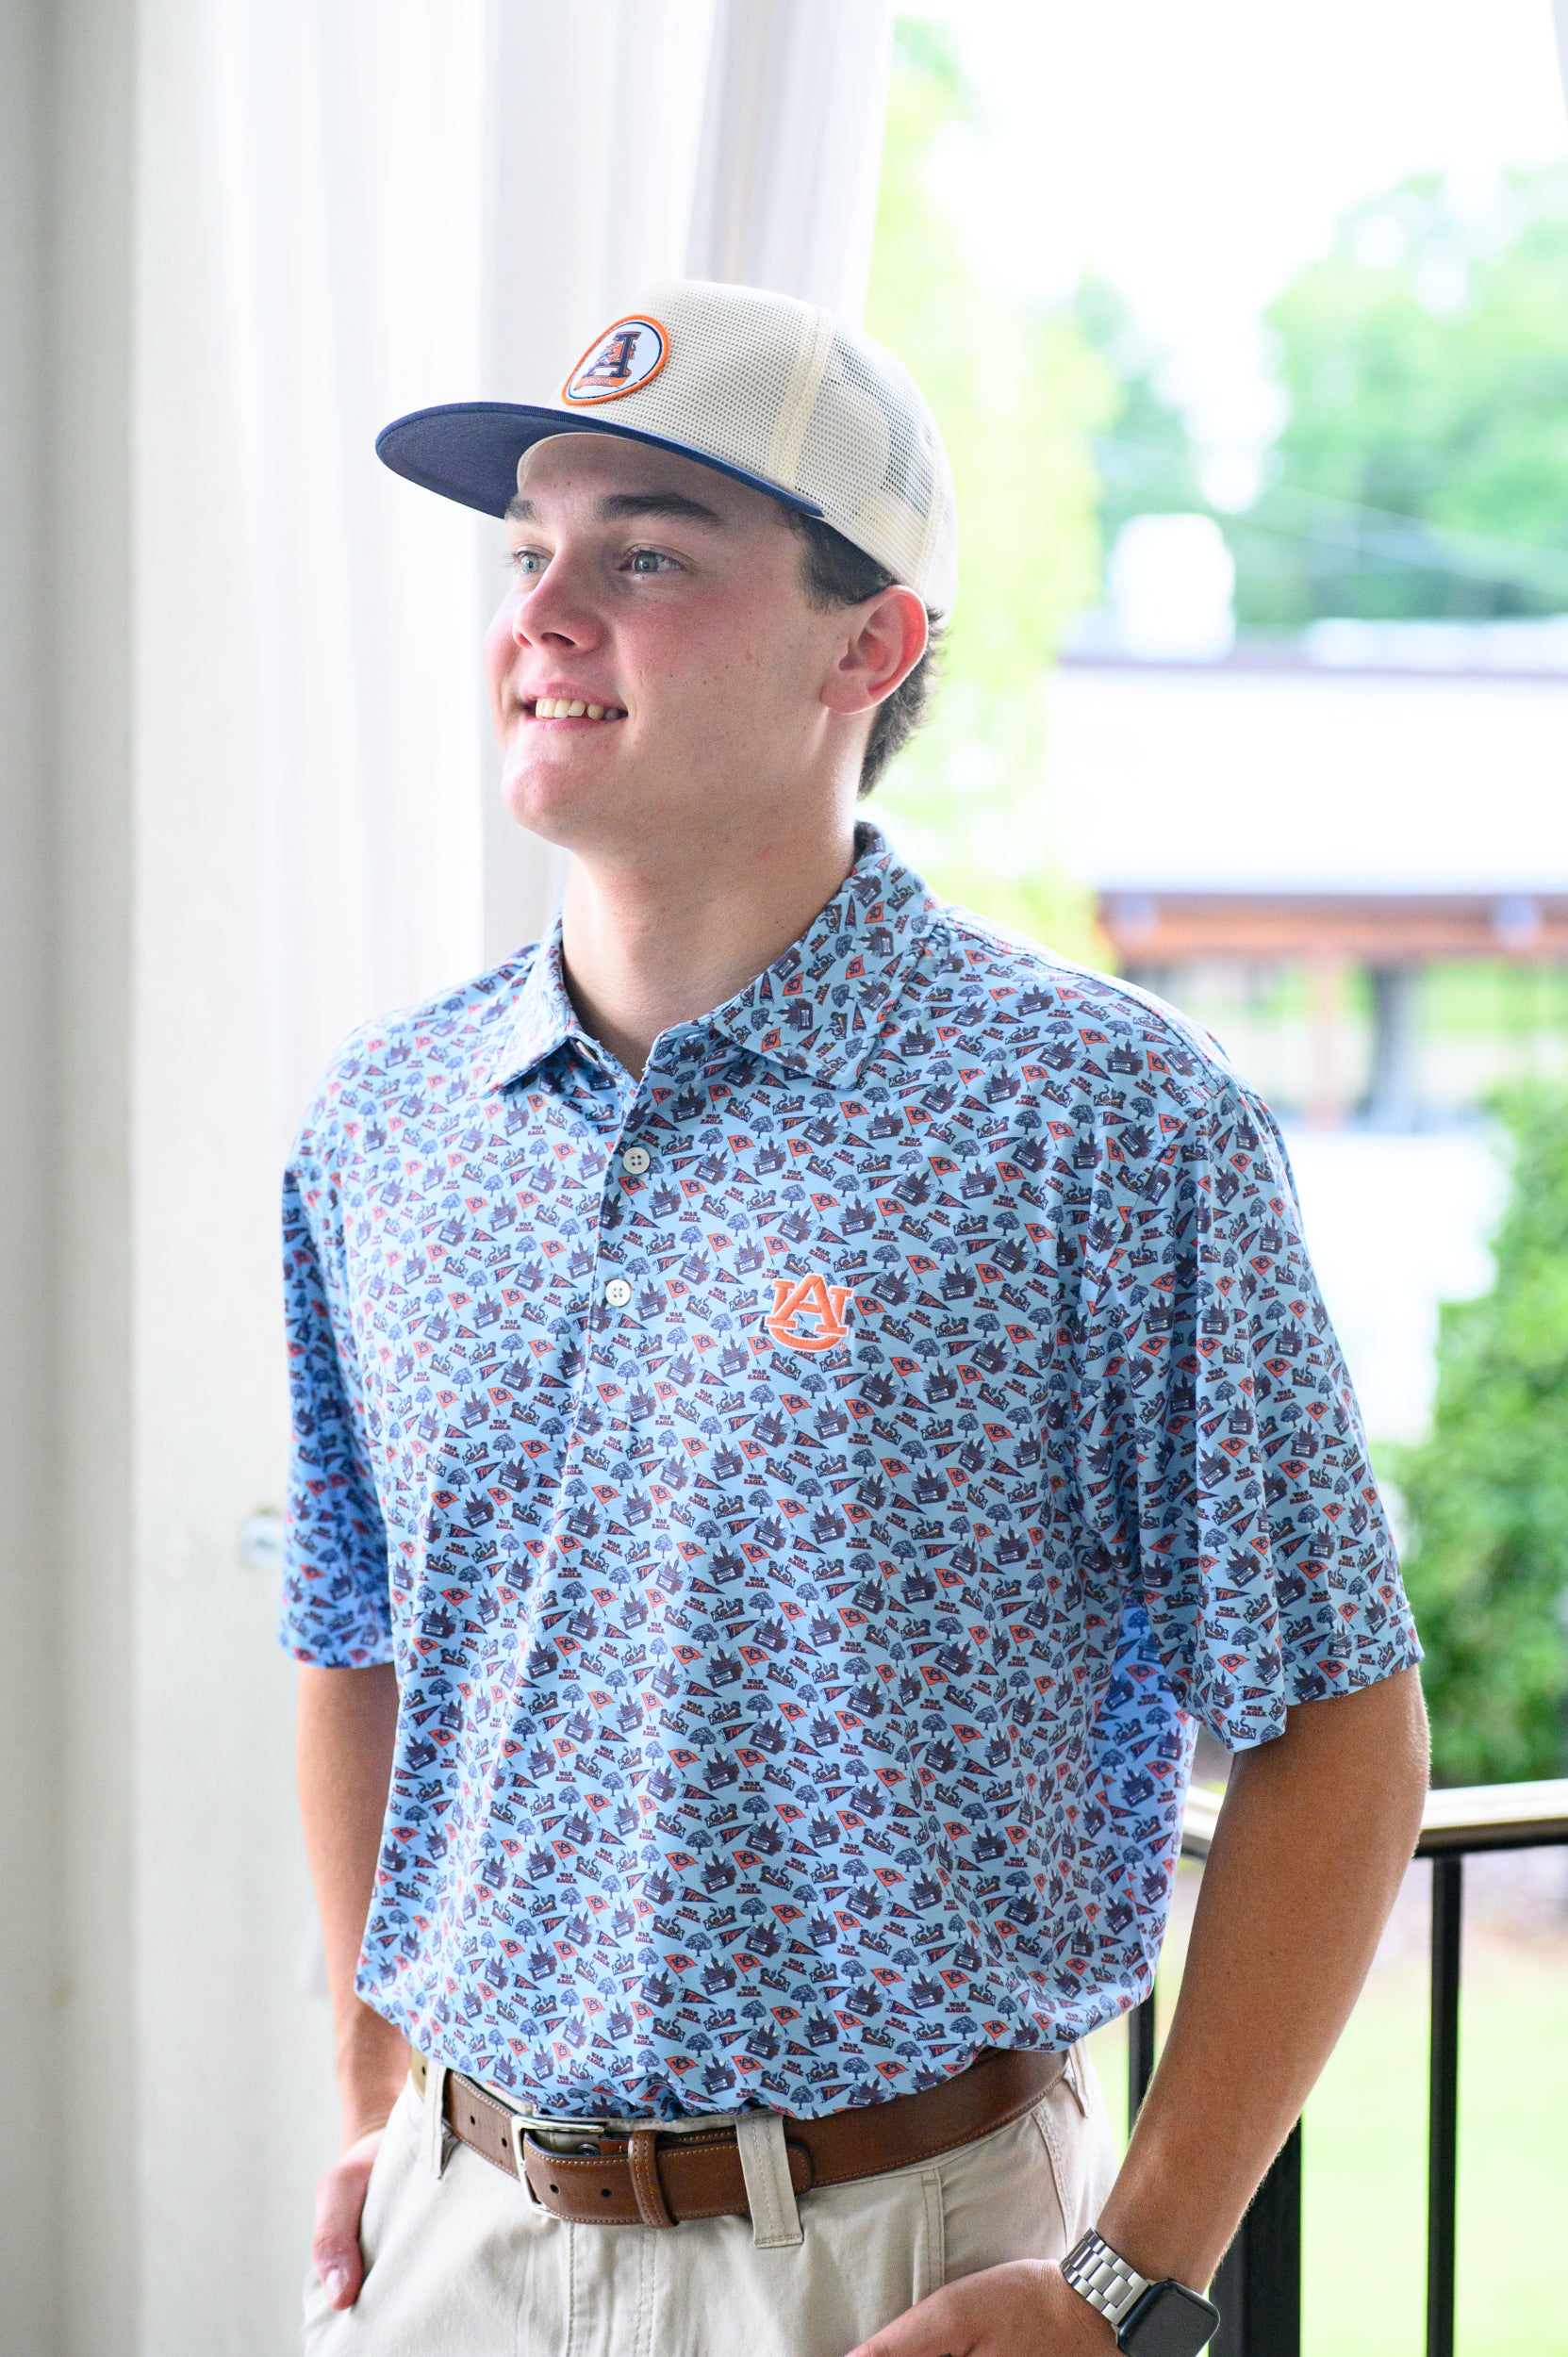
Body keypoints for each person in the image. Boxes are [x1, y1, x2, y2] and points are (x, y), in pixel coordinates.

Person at [282, 278, 1428, 2357]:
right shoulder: (382, 1129)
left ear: (869, 640)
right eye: (529, 550)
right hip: (449, 2241)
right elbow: (356, 1638)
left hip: (896, 2259)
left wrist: (1127, 2275)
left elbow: (1338, 1719)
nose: (545, 610)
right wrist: (372, 2092)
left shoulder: (1102, 1127)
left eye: (643, 554)